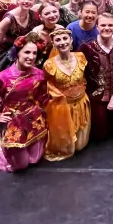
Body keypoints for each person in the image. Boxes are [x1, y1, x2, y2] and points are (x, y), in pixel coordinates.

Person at [0, 32, 50, 172]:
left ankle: (2, 146)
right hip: (14, 123)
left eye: (34, 53)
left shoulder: (40, 74)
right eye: (27, 52)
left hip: (34, 121)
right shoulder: (4, 77)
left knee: (34, 160)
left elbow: (43, 96)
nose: (31, 57)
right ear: (18, 53)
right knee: (20, 166)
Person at [42, 27, 90, 161]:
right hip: (63, 107)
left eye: (65, 39)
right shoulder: (49, 64)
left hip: (81, 102)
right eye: (58, 40)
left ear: (71, 40)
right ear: (53, 43)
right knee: (66, 145)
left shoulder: (80, 57)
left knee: (80, 145)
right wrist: (58, 96)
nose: (62, 42)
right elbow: (47, 84)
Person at [77, 13, 113, 141]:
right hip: (96, 98)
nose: (107, 28)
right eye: (103, 25)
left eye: (110, 25)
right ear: (97, 27)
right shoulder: (86, 48)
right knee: (100, 134)